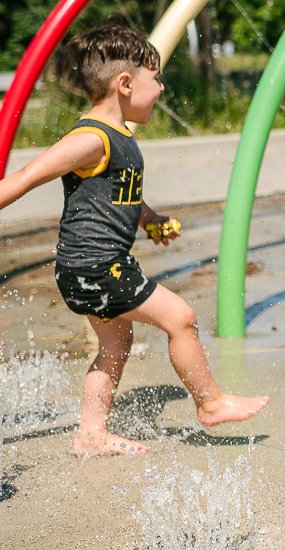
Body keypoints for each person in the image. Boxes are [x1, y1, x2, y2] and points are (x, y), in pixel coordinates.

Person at [0, 23, 269, 457]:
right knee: (180, 318)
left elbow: (120, 191)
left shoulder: (119, 135)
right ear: (125, 83)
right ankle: (211, 403)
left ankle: (91, 434)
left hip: (84, 268)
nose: (161, 89)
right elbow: (27, 177)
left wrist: (150, 218)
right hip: (96, 266)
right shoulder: (91, 137)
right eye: (155, 79)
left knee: (116, 342)